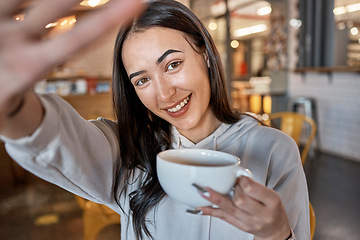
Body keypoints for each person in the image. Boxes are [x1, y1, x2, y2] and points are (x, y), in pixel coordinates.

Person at [0, 0, 310, 239]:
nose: (164, 94)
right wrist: (12, 103)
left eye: (173, 64)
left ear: (203, 53)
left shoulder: (274, 150)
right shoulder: (128, 152)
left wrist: (277, 234)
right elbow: (56, 138)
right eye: (142, 81)